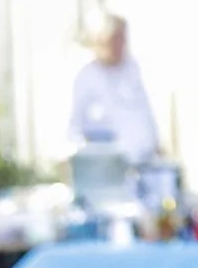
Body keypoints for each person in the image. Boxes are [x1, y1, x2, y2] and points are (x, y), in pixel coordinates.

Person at [68, 15, 159, 163]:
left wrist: (156, 143)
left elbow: (145, 113)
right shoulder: (84, 76)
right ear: (100, 40)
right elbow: (73, 128)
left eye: (122, 40)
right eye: (115, 39)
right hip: (103, 164)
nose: (119, 46)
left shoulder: (132, 68)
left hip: (141, 161)